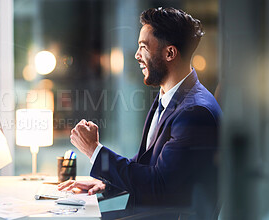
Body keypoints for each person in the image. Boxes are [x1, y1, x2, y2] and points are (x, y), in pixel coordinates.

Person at [58, 7, 222, 220]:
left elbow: (160, 187)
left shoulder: (195, 112)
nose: (136, 55)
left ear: (170, 53)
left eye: (143, 47)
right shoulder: (169, 96)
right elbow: (146, 165)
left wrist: (94, 151)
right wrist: (106, 181)